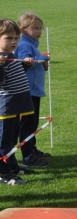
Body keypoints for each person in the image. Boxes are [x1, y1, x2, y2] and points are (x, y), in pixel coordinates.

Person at [0, 19, 36, 186]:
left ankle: (13, 167)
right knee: (4, 142)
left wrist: (26, 65)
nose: (14, 42)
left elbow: (15, 74)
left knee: (12, 140)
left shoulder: (11, 55)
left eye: (16, 38)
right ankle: (4, 173)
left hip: (17, 104)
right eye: (8, 38)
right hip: (6, 107)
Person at [16, 12, 51, 169]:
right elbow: (25, 62)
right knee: (29, 123)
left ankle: (32, 149)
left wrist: (41, 63)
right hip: (28, 90)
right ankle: (28, 156)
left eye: (40, 28)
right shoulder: (24, 44)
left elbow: (34, 62)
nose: (39, 31)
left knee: (33, 122)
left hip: (34, 90)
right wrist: (41, 59)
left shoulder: (31, 44)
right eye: (35, 28)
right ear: (23, 29)